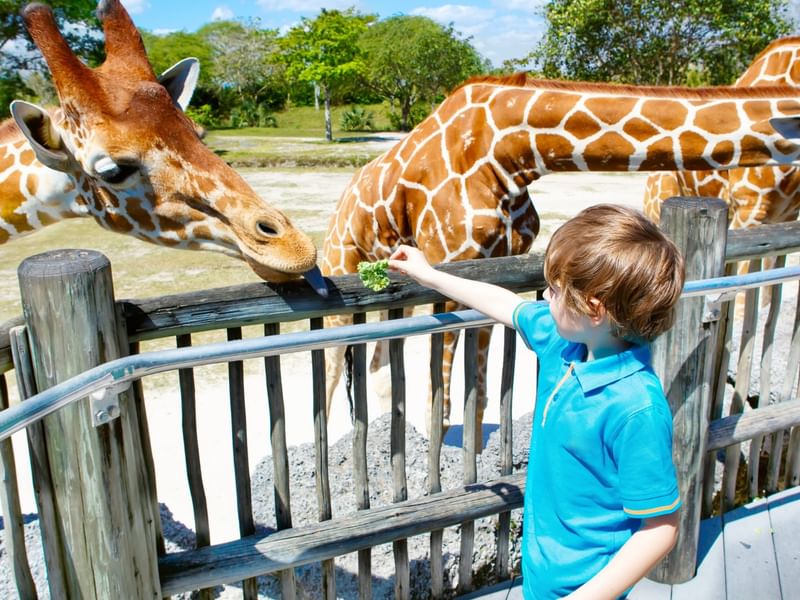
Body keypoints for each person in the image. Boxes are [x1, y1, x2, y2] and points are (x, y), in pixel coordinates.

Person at [388, 204, 684, 599]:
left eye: (557, 291)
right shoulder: (565, 342)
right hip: (542, 571)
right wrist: (429, 274)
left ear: (593, 309)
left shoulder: (636, 408)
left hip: (586, 585)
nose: (546, 295)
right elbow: (506, 304)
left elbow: (661, 527)